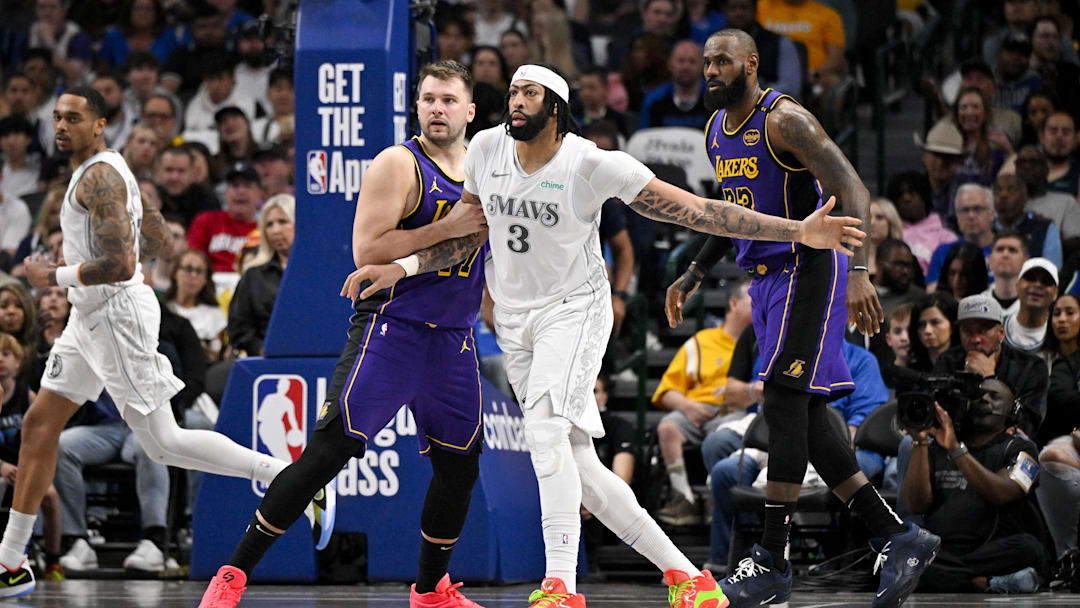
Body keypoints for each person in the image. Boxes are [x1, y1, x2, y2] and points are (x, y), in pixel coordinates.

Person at [345, 59, 865, 608]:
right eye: (513, 92)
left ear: (555, 109)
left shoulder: (590, 163)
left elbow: (699, 211)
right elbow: (471, 237)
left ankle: (560, 586)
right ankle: (689, 579)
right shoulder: (484, 151)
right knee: (580, 465)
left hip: (575, 310)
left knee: (545, 435)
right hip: (517, 319)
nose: (515, 101)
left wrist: (798, 231)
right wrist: (402, 269)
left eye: (529, 93)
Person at [0, 87, 332, 599]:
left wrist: (54, 275)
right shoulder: (112, 172)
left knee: (163, 442)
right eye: (57, 117)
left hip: (114, 315)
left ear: (100, 124)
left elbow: (125, 264)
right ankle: (10, 561)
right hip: (90, 318)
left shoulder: (103, 177)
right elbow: (154, 238)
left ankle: (290, 477)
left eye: (74, 117)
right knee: (39, 425)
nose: (62, 126)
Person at [199, 61, 493, 608]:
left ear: (470, 111)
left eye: (449, 100)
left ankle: (430, 592)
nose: (436, 108)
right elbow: (368, 252)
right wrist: (446, 227)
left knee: (460, 470)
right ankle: (232, 576)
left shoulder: (488, 167)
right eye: (428, 98)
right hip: (392, 330)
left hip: (453, 339)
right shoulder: (398, 164)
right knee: (327, 454)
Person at [661, 30, 937, 607]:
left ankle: (771, 558)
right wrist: (692, 272)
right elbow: (730, 216)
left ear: (752, 65)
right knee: (806, 419)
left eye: (722, 61)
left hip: (810, 269)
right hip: (764, 279)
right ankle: (898, 535)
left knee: (783, 401)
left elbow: (853, 188)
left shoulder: (785, 120)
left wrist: (860, 270)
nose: (711, 70)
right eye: (705, 62)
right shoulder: (715, 131)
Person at [654, 280, 753, 526]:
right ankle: (683, 498)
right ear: (733, 303)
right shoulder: (702, 341)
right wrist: (688, 407)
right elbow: (666, 391)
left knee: (721, 435)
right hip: (696, 409)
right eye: (754, 300)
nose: (762, 305)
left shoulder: (760, 343)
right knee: (667, 427)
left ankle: (714, 498)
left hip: (733, 412)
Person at [933, 294, 1048, 438]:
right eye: (968, 331)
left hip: (1007, 444)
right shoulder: (948, 360)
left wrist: (990, 379)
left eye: (983, 331)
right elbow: (940, 416)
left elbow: (1027, 426)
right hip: (960, 439)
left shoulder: (1031, 366)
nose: (975, 339)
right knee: (909, 443)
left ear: (1001, 333)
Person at [226, 194, 293, 358]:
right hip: (267, 359)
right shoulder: (253, 276)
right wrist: (261, 349)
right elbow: (239, 326)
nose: (275, 230)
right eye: (269, 224)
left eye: (282, 221)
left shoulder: (315, 271)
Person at [991, 172, 1061, 268]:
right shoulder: (984, 229)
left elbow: (1052, 271)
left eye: (1011, 190)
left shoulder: (1045, 229)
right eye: (998, 190)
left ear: (1025, 198)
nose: (1004, 195)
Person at [1003, 257, 1059, 353]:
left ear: (1055, 294)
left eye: (1046, 281)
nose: (1037, 285)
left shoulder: (1059, 336)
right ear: (1017, 286)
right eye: (1030, 278)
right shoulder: (996, 327)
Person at [982, 230, 1029, 317]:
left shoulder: (1035, 305)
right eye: (1000, 249)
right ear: (990, 259)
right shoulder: (978, 304)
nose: (1005, 254)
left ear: (1025, 260)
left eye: (1012, 250)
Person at [874, 238, 924, 319]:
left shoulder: (917, 298)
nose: (905, 271)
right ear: (879, 263)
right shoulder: (860, 291)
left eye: (909, 265)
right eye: (898, 264)